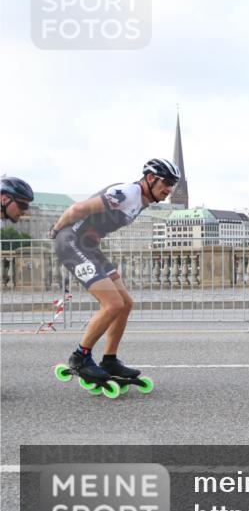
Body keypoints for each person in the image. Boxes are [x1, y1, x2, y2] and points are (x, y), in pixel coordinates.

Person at [49, 158, 179, 394]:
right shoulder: (127, 193)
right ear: (150, 178)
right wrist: (57, 230)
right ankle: (80, 357)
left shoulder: (142, 201)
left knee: (126, 303)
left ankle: (109, 359)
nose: (169, 190)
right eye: (167, 183)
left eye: (174, 185)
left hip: (88, 246)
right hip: (70, 243)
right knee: (112, 304)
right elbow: (78, 209)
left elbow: (99, 223)